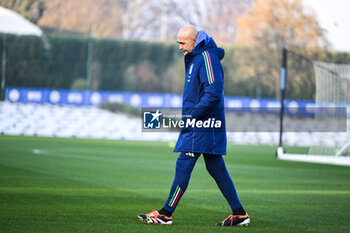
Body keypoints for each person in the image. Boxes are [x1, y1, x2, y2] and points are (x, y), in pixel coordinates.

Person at [138, 25, 250, 227]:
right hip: (202, 123)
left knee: (184, 163)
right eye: (178, 43)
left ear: (194, 40)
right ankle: (239, 213)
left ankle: (165, 214)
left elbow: (213, 94)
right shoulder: (196, 58)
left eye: (182, 43)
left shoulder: (207, 57)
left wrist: (193, 117)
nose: (180, 47)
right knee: (216, 167)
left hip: (203, 123)